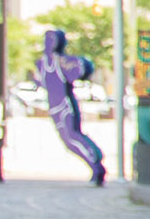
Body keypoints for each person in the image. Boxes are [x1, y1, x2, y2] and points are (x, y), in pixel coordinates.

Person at [38, 26, 105, 187]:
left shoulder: (61, 62)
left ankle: (96, 164)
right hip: (54, 107)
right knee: (69, 141)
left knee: (73, 137)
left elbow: (80, 68)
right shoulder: (42, 63)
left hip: (64, 107)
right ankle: (95, 162)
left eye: (52, 40)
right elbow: (46, 83)